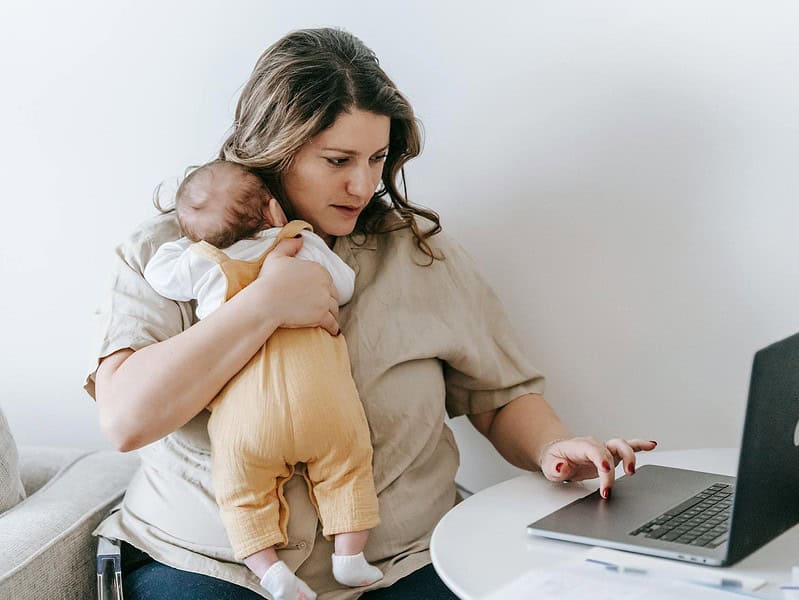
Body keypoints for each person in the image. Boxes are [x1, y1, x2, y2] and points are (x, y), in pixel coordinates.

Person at [87, 27, 656, 600]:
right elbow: (127, 420)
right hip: (209, 563)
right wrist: (262, 306)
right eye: (338, 160)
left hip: (404, 561)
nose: (362, 184)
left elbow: (500, 395)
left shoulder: (420, 254)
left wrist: (551, 448)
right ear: (274, 148)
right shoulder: (169, 254)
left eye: (377, 159)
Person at [142, 159, 383, 599]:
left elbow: (160, 273)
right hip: (323, 401)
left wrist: (190, 241)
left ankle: (270, 571)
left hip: (248, 416)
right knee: (349, 466)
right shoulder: (300, 243)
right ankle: (349, 557)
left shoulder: (206, 263)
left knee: (240, 491)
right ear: (273, 210)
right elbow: (344, 286)